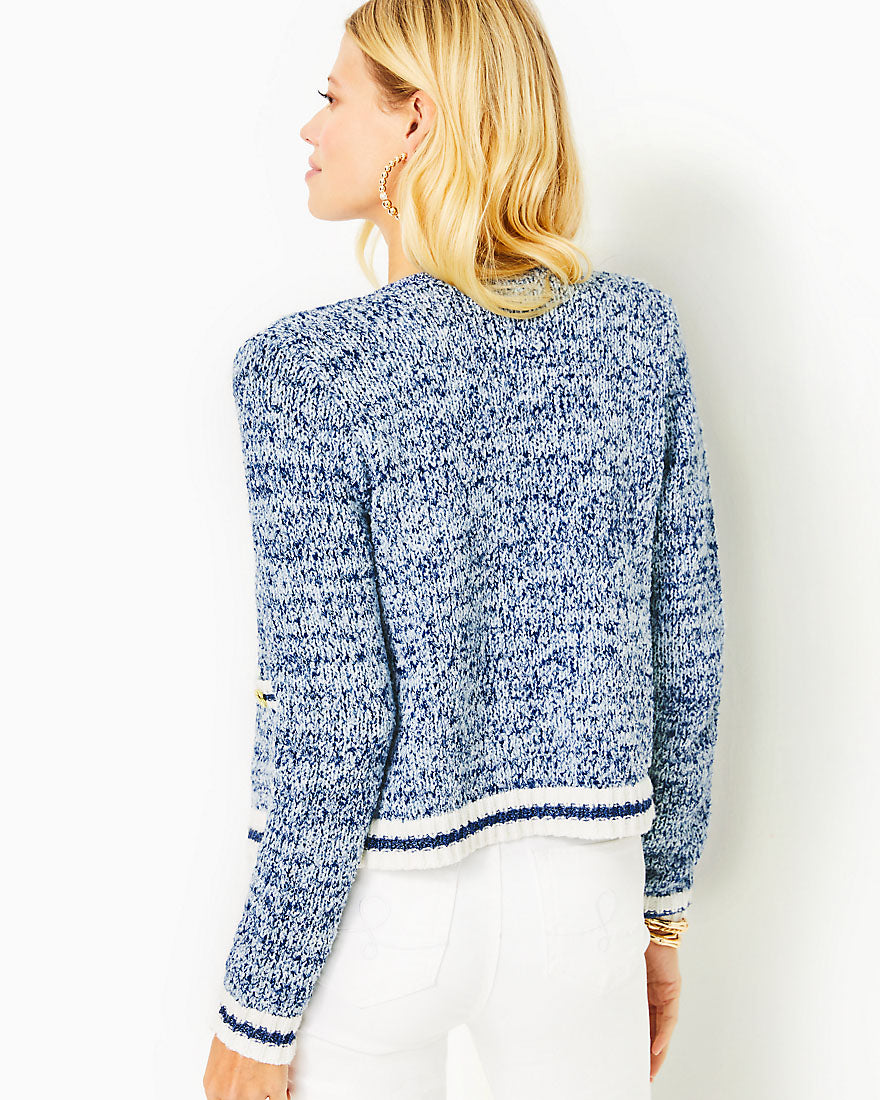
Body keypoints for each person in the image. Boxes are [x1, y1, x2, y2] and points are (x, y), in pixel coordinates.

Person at [202, 1, 725, 1097]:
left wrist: (258, 1005)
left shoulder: (303, 373)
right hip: (583, 904)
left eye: (333, 97)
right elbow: (686, 645)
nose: (310, 128)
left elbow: (337, 712)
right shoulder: (636, 337)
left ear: (416, 120)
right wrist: (660, 913)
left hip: (381, 911)